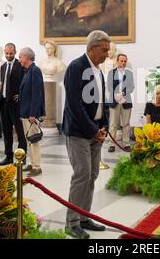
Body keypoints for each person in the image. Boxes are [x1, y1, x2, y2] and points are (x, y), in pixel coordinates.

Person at [62, 30, 110, 239]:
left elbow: (102, 101)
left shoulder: (98, 71)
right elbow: (75, 104)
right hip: (78, 132)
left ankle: (83, 217)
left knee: (92, 175)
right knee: (82, 174)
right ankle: (71, 222)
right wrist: (92, 129)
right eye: (104, 50)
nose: (107, 54)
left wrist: (104, 126)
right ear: (91, 48)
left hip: (95, 131)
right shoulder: (76, 67)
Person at [0, 43, 27, 166]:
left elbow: (25, 83)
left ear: (15, 52)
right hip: (4, 103)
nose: (8, 55)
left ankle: (22, 157)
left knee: (20, 132)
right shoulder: (3, 66)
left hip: (16, 104)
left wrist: (21, 94)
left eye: (11, 53)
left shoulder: (20, 66)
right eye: (6, 53)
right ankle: (8, 156)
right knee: (6, 131)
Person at [19, 47, 45, 177]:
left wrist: (33, 114)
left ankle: (37, 166)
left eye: (21, 57)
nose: (19, 59)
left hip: (31, 113)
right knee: (29, 138)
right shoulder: (27, 71)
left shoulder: (35, 71)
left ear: (27, 57)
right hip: (25, 112)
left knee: (33, 140)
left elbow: (37, 93)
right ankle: (32, 162)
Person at [106, 54, 134, 152]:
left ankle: (126, 143)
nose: (123, 63)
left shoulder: (129, 73)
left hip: (126, 101)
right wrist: (116, 95)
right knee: (113, 124)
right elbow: (109, 86)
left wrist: (122, 93)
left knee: (126, 123)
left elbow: (131, 86)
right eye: (121, 61)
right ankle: (112, 144)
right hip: (114, 101)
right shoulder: (111, 73)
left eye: (125, 61)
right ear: (117, 61)